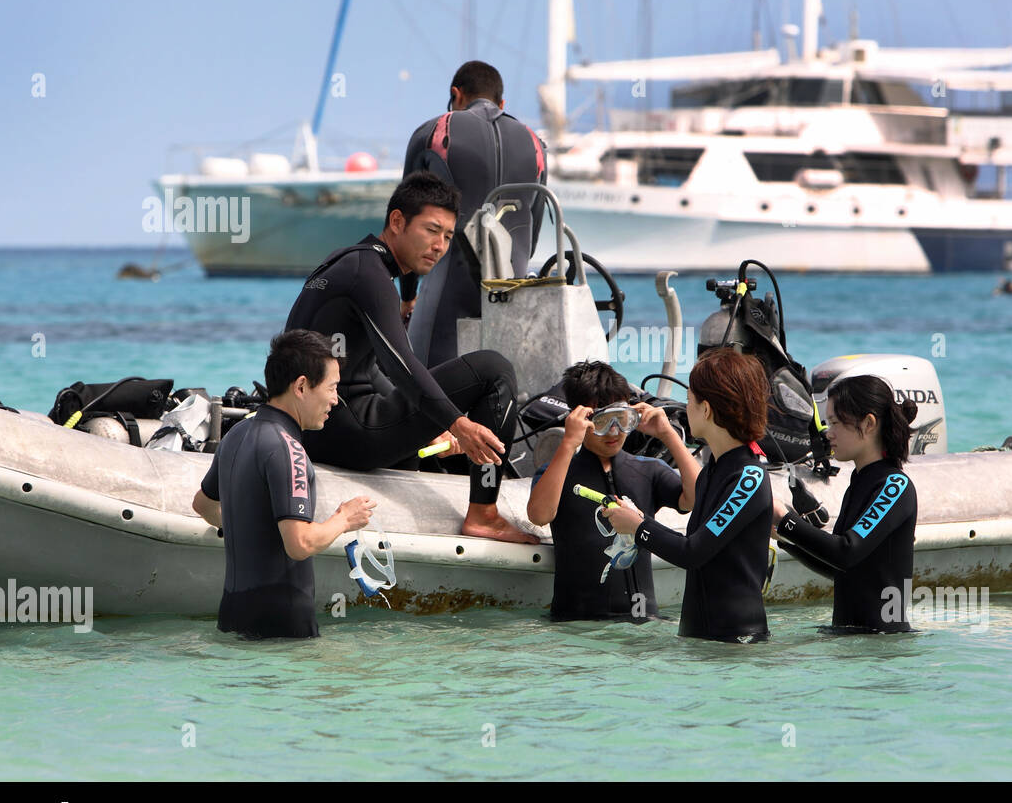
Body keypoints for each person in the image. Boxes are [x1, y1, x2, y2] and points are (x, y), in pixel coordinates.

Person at [284, 170, 537, 544]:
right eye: (432, 230)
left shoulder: (352, 261)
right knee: (493, 369)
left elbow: (369, 368)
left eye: (449, 236)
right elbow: (400, 365)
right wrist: (457, 424)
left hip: (321, 427)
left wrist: (407, 293)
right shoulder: (369, 278)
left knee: (394, 399)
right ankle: (483, 514)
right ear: (398, 221)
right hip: (344, 431)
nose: (440, 245)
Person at [191, 330, 376, 639]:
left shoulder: (237, 435)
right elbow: (300, 543)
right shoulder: (288, 449)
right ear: (301, 386)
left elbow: (204, 505)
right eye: (331, 388)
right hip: (284, 630)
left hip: (233, 620)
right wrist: (344, 519)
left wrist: (254, 526)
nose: (335, 399)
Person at [602, 348, 774, 643]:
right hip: (703, 643)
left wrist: (638, 526)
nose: (685, 407)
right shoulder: (714, 470)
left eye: (690, 401)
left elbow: (693, 553)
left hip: (738, 644)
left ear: (706, 410)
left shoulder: (749, 477)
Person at [399, 61, 548, 366]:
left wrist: (407, 296)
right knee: (505, 388)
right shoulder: (536, 144)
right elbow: (531, 239)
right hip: (511, 296)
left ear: (456, 94)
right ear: (502, 103)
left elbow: (407, 232)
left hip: (446, 296)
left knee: (425, 389)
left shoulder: (434, 133)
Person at [527, 362, 699, 622]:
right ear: (582, 420)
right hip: (578, 628)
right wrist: (567, 443)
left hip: (644, 624)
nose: (615, 431)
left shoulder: (648, 471)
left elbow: (698, 498)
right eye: (604, 421)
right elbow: (539, 515)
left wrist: (668, 434)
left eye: (622, 419)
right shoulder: (558, 473)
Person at [771, 375, 918, 634]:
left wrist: (786, 519)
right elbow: (838, 567)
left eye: (836, 423)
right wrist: (783, 536)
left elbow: (846, 552)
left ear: (868, 423)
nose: (828, 433)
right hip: (853, 642)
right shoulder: (859, 481)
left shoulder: (894, 486)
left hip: (882, 647)